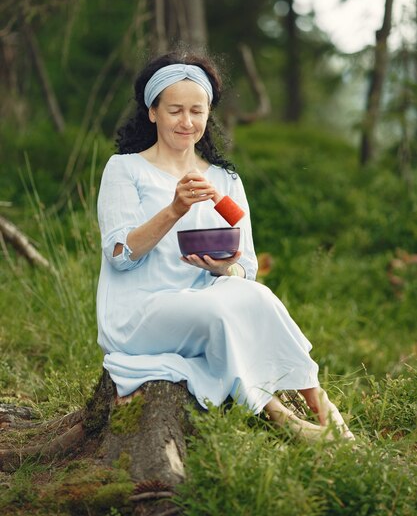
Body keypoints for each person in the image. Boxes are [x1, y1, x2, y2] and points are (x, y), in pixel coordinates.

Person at [96, 50, 354, 441]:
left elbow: (244, 266)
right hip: (141, 312)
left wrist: (223, 268)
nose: (187, 122)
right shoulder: (125, 169)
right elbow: (119, 256)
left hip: (206, 294)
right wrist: (175, 209)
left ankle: (322, 405)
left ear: (208, 114)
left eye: (197, 111)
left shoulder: (224, 180)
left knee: (257, 295)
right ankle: (279, 416)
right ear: (152, 112)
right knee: (220, 313)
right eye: (175, 110)